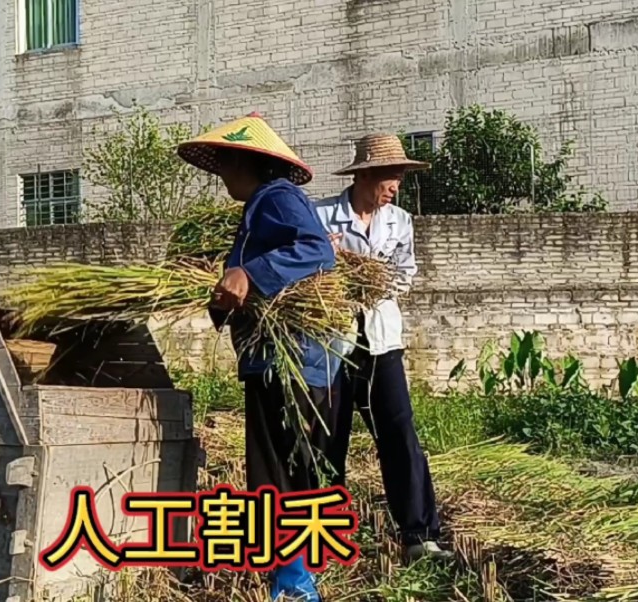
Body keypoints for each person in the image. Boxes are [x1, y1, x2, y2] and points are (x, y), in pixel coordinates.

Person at [177, 112, 342, 602]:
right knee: (294, 467)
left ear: (246, 161)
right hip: (285, 360)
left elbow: (316, 251)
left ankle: (293, 583)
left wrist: (250, 275)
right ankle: (300, 571)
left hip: (287, 360)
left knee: (276, 473)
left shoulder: (278, 198)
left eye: (225, 163)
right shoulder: (260, 209)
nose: (222, 174)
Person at [315, 133, 452, 564]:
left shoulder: (400, 221)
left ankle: (419, 534)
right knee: (328, 438)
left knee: (399, 433)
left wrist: (371, 279)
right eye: (391, 177)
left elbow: (405, 274)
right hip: (332, 344)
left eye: (399, 178)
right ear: (366, 175)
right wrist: (330, 264)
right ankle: (325, 533)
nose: (396, 186)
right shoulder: (322, 217)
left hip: (381, 342)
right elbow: (309, 272)